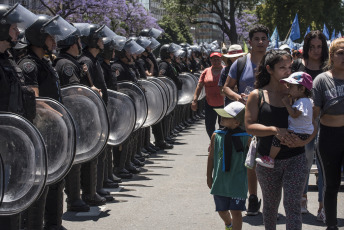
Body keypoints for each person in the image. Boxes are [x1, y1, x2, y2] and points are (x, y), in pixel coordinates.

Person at [245, 49, 316, 229]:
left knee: (293, 206)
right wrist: (273, 130)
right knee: (270, 206)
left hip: (296, 158)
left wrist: (305, 141)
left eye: (290, 67)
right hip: (268, 161)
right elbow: (250, 126)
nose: (288, 71)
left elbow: (314, 122)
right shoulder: (257, 95)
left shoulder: (297, 92)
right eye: (282, 67)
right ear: (269, 69)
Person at [18, 14, 75, 230]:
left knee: (55, 178)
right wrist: (60, 116)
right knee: (40, 181)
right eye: (50, 37)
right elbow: (37, 100)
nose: (54, 41)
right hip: (40, 129)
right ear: (39, 37)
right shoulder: (29, 64)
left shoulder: (44, 62)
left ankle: (53, 223)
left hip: (52, 129)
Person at [223, 24, 270, 216]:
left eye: (263, 38)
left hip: (270, 118)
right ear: (249, 42)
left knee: (270, 161)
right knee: (251, 160)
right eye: (256, 39)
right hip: (246, 121)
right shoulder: (240, 63)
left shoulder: (275, 62)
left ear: (268, 41)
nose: (260, 42)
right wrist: (237, 97)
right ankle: (252, 197)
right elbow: (226, 87)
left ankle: (270, 201)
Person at [0, 3, 37, 229]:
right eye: (13, 27)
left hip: (14, 139)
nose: (17, 32)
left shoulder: (8, 60)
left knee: (14, 194)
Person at [292, 30, 329, 215]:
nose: (316, 50)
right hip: (302, 122)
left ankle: (323, 204)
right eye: (312, 47)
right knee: (304, 161)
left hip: (326, 120)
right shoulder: (297, 65)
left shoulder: (329, 67)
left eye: (319, 47)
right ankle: (302, 198)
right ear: (306, 48)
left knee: (324, 163)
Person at [312, 37, 344, 230]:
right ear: (332, 56)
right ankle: (331, 224)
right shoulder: (322, 80)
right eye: (341, 53)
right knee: (331, 185)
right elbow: (315, 112)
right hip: (329, 138)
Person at [207, 101, 250, 230]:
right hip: (221, 180)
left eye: (226, 116)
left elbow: (253, 157)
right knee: (222, 210)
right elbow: (211, 157)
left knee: (236, 212)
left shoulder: (246, 138)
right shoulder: (217, 135)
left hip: (238, 180)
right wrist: (209, 176)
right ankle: (228, 223)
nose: (221, 118)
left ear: (237, 122)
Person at [256, 72, 314, 168]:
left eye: (291, 86)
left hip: (300, 132)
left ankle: (270, 159)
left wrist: (287, 104)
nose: (288, 88)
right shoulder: (303, 100)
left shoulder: (303, 102)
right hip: (302, 131)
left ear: (302, 89)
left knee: (278, 138)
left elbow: (295, 114)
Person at [191, 51, 224, 138]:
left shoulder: (226, 70)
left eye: (218, 59)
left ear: (221, 60)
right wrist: (195, 100)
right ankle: (213, 142)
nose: (216, 61)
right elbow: (199, 86)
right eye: (214, 60)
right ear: (211, 60)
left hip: (223, 104)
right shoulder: (206, 71)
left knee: (224, 126)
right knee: (209, 126)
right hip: (210, 104)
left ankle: (222, 144)